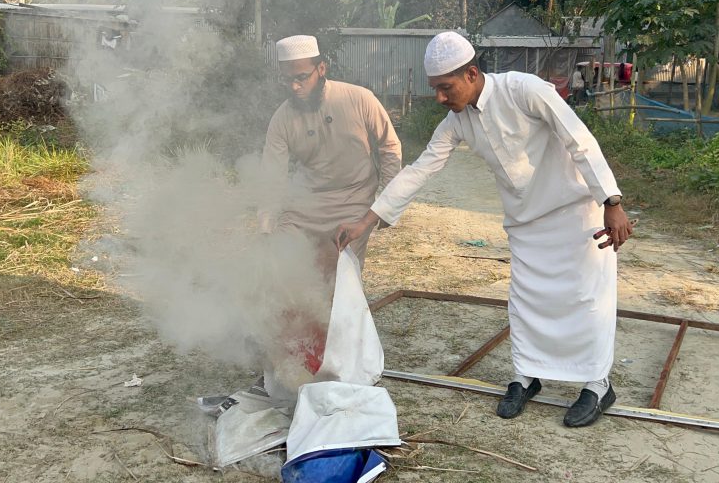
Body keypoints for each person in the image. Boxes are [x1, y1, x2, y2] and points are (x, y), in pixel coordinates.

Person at [335, 32, 632, 428]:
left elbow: (578, 138)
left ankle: (597, 385)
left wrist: (611, 202)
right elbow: (420, 170)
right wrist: (365, 220)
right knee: (527, 303)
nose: (440, 97)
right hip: (526, 223)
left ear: (472, 73)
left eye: (445, 87)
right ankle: (526, 377)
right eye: (435, 89)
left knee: (587, 299)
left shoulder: (524, 90)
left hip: (576, 212)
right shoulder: (456, 122)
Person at [260, 34, 402, 266]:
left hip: (353, 201)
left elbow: (389, 145)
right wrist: (266, 229)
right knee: (282, 264)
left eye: (302, 77)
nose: (294, 87)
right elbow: (271, 175)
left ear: (322, 68)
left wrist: (388, 204)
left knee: (335, 270)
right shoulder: (281, 119)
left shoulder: (359, 99)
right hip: (304, 206)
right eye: (287, 80)